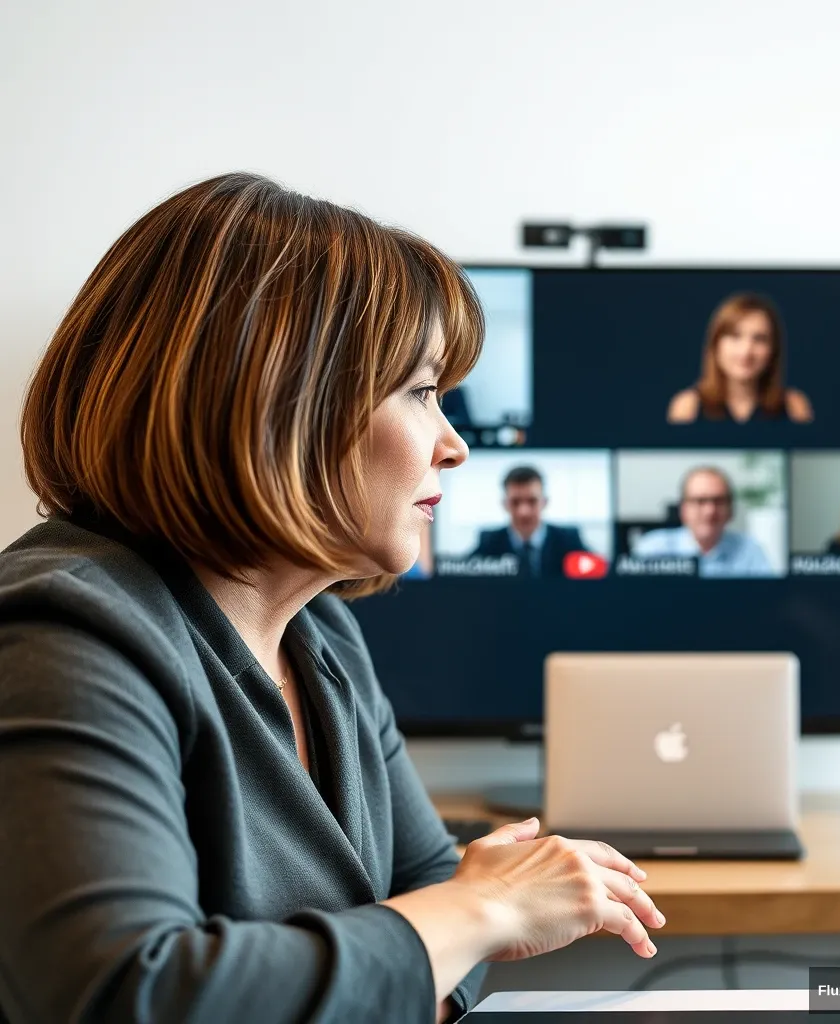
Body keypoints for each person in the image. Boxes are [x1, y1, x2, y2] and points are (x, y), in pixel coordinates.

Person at [0, 173, 665, 1024]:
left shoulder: (322, 636)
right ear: (279, 398)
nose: (455, 446)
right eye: (421, 392)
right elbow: (124, 995)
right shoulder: (65, 633)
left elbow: (430, 904)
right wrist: (484, 909)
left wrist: (455, 920)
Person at [666, 293, 813, 424]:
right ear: (716, 344)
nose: (746, 351)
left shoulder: (794, 406)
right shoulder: (687, 407)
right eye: (735, 336)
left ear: (773, 349)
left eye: (759, 339)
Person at [631, 466, 778, 578]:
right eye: (700, 501)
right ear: (684, 509)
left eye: (719, 501)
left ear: (731, 509)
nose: (710, 511)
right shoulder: (652, 549)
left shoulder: (750, 550)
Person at [469, 466, 589, 578]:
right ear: (505, 504)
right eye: (515, 502)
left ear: (544, 502)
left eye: (532, 501)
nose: (523, 512)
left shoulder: (569, 540)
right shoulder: (489, 542)